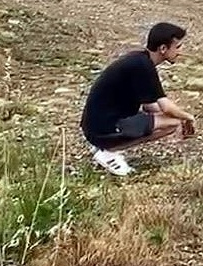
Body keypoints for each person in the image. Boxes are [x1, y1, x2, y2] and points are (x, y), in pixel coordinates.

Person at [80, 22, 196, 176]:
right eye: (178, 47)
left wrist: (173, 115)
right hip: (103, 128)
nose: (180, 52)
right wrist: (188, 118)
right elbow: (165, 106)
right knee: (173, 124)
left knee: (171, 119)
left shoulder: (139, 60)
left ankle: (104, 147)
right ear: (163, 49)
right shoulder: (143, 66)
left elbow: (150, 105)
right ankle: (109, 151)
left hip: (96, 126)